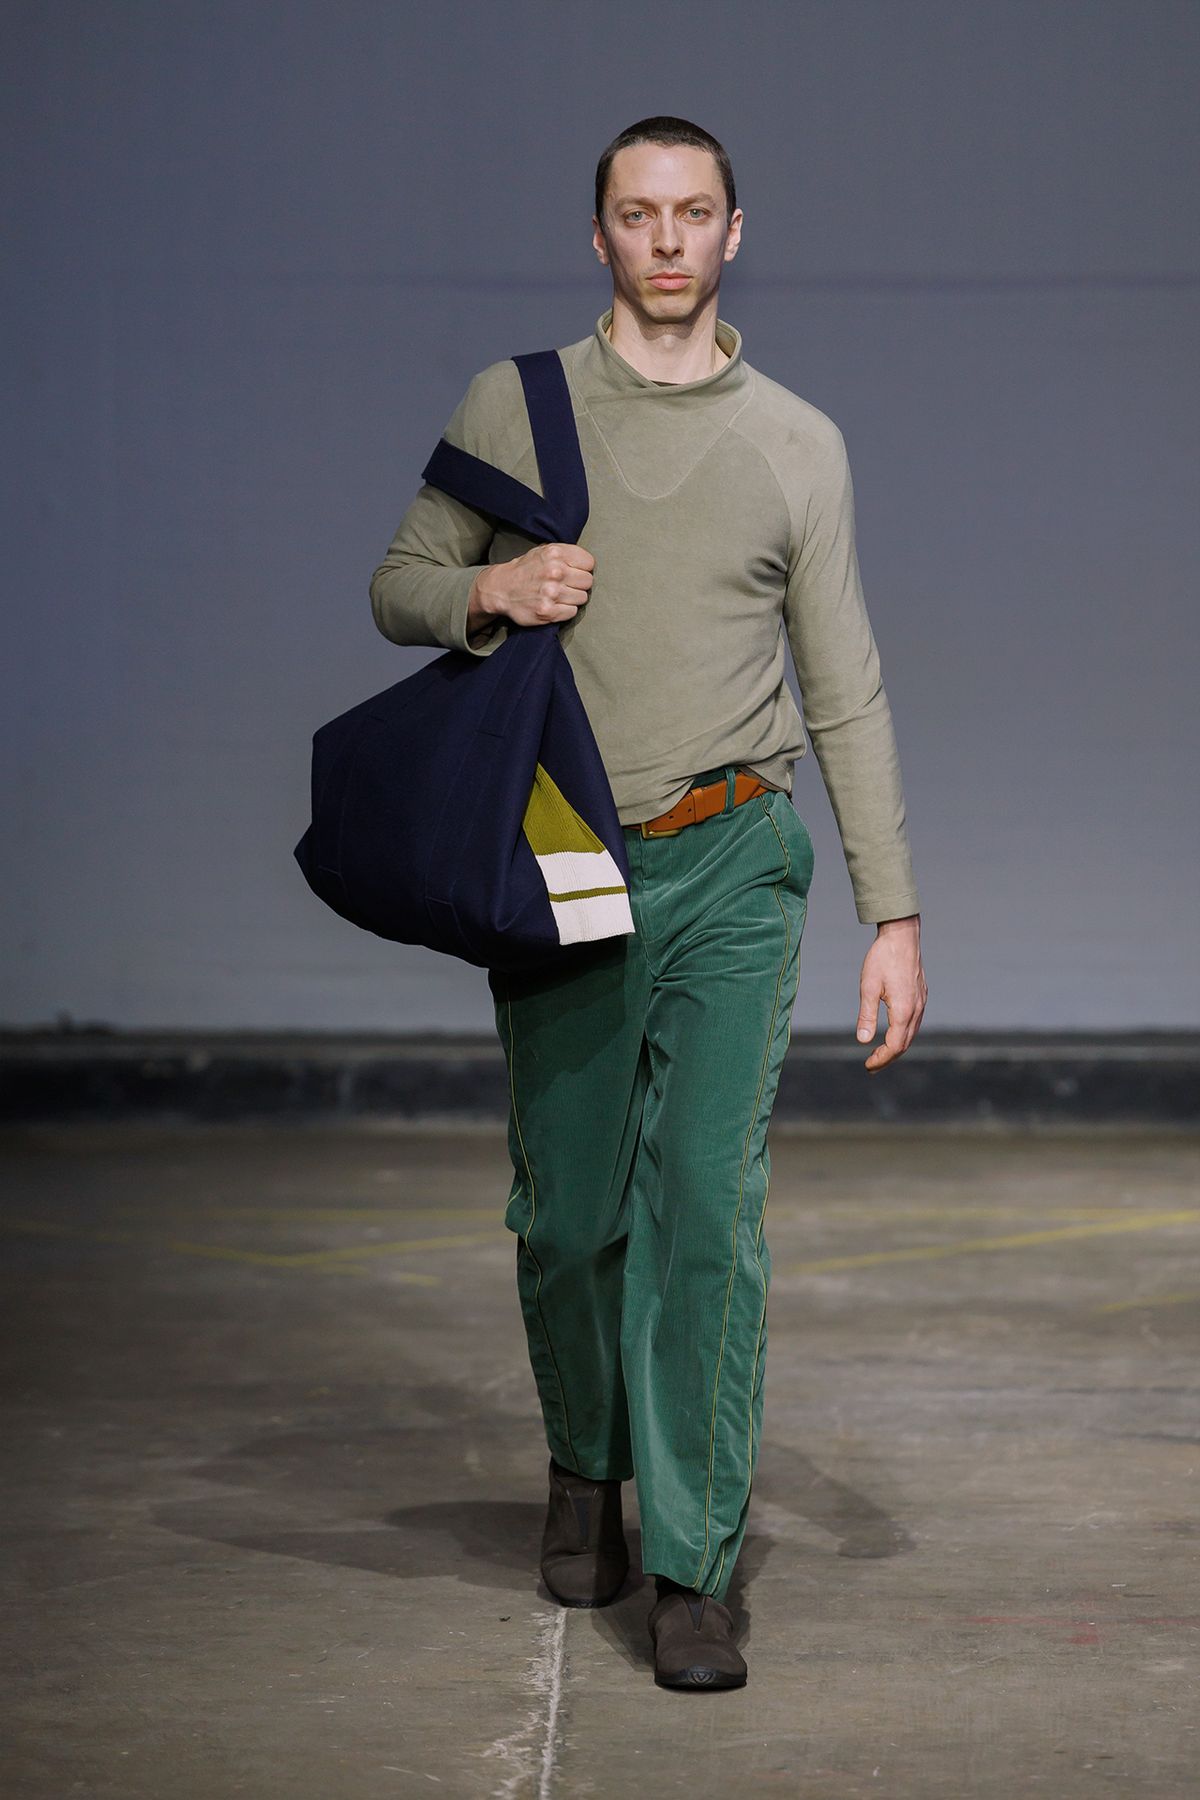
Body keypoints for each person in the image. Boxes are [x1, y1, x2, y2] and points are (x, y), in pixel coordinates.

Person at [369, 115, 928, 1691]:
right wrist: (491, 590)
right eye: (638, 214)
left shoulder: (799, 442)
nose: (667, 240)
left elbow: (846, 685)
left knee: (707, 1216)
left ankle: (692, 1563)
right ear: (600, 235)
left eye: (693, 213)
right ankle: (584, 1461)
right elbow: (399, 581)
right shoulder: (518, 405)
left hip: (735, 852)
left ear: (735, 232)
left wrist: (892, 913)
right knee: (569, 1218)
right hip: (564, 860)